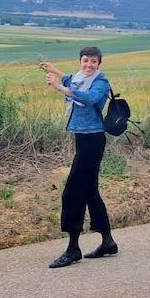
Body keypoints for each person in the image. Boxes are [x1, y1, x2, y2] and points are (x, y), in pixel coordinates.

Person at [41, 47, 117, 268]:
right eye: (85, 61)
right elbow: (71, 80)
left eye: (93, 61)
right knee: (90, 191)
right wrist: (55, 71)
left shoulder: (100, 82)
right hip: (82, 138)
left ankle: (73, 248)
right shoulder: (80, 78)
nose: (89, 65)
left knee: (73, 191)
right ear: (80, 61)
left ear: (99, 63)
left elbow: (90, 97)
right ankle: (108, 241)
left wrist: (59, 87)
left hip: (93, 140)